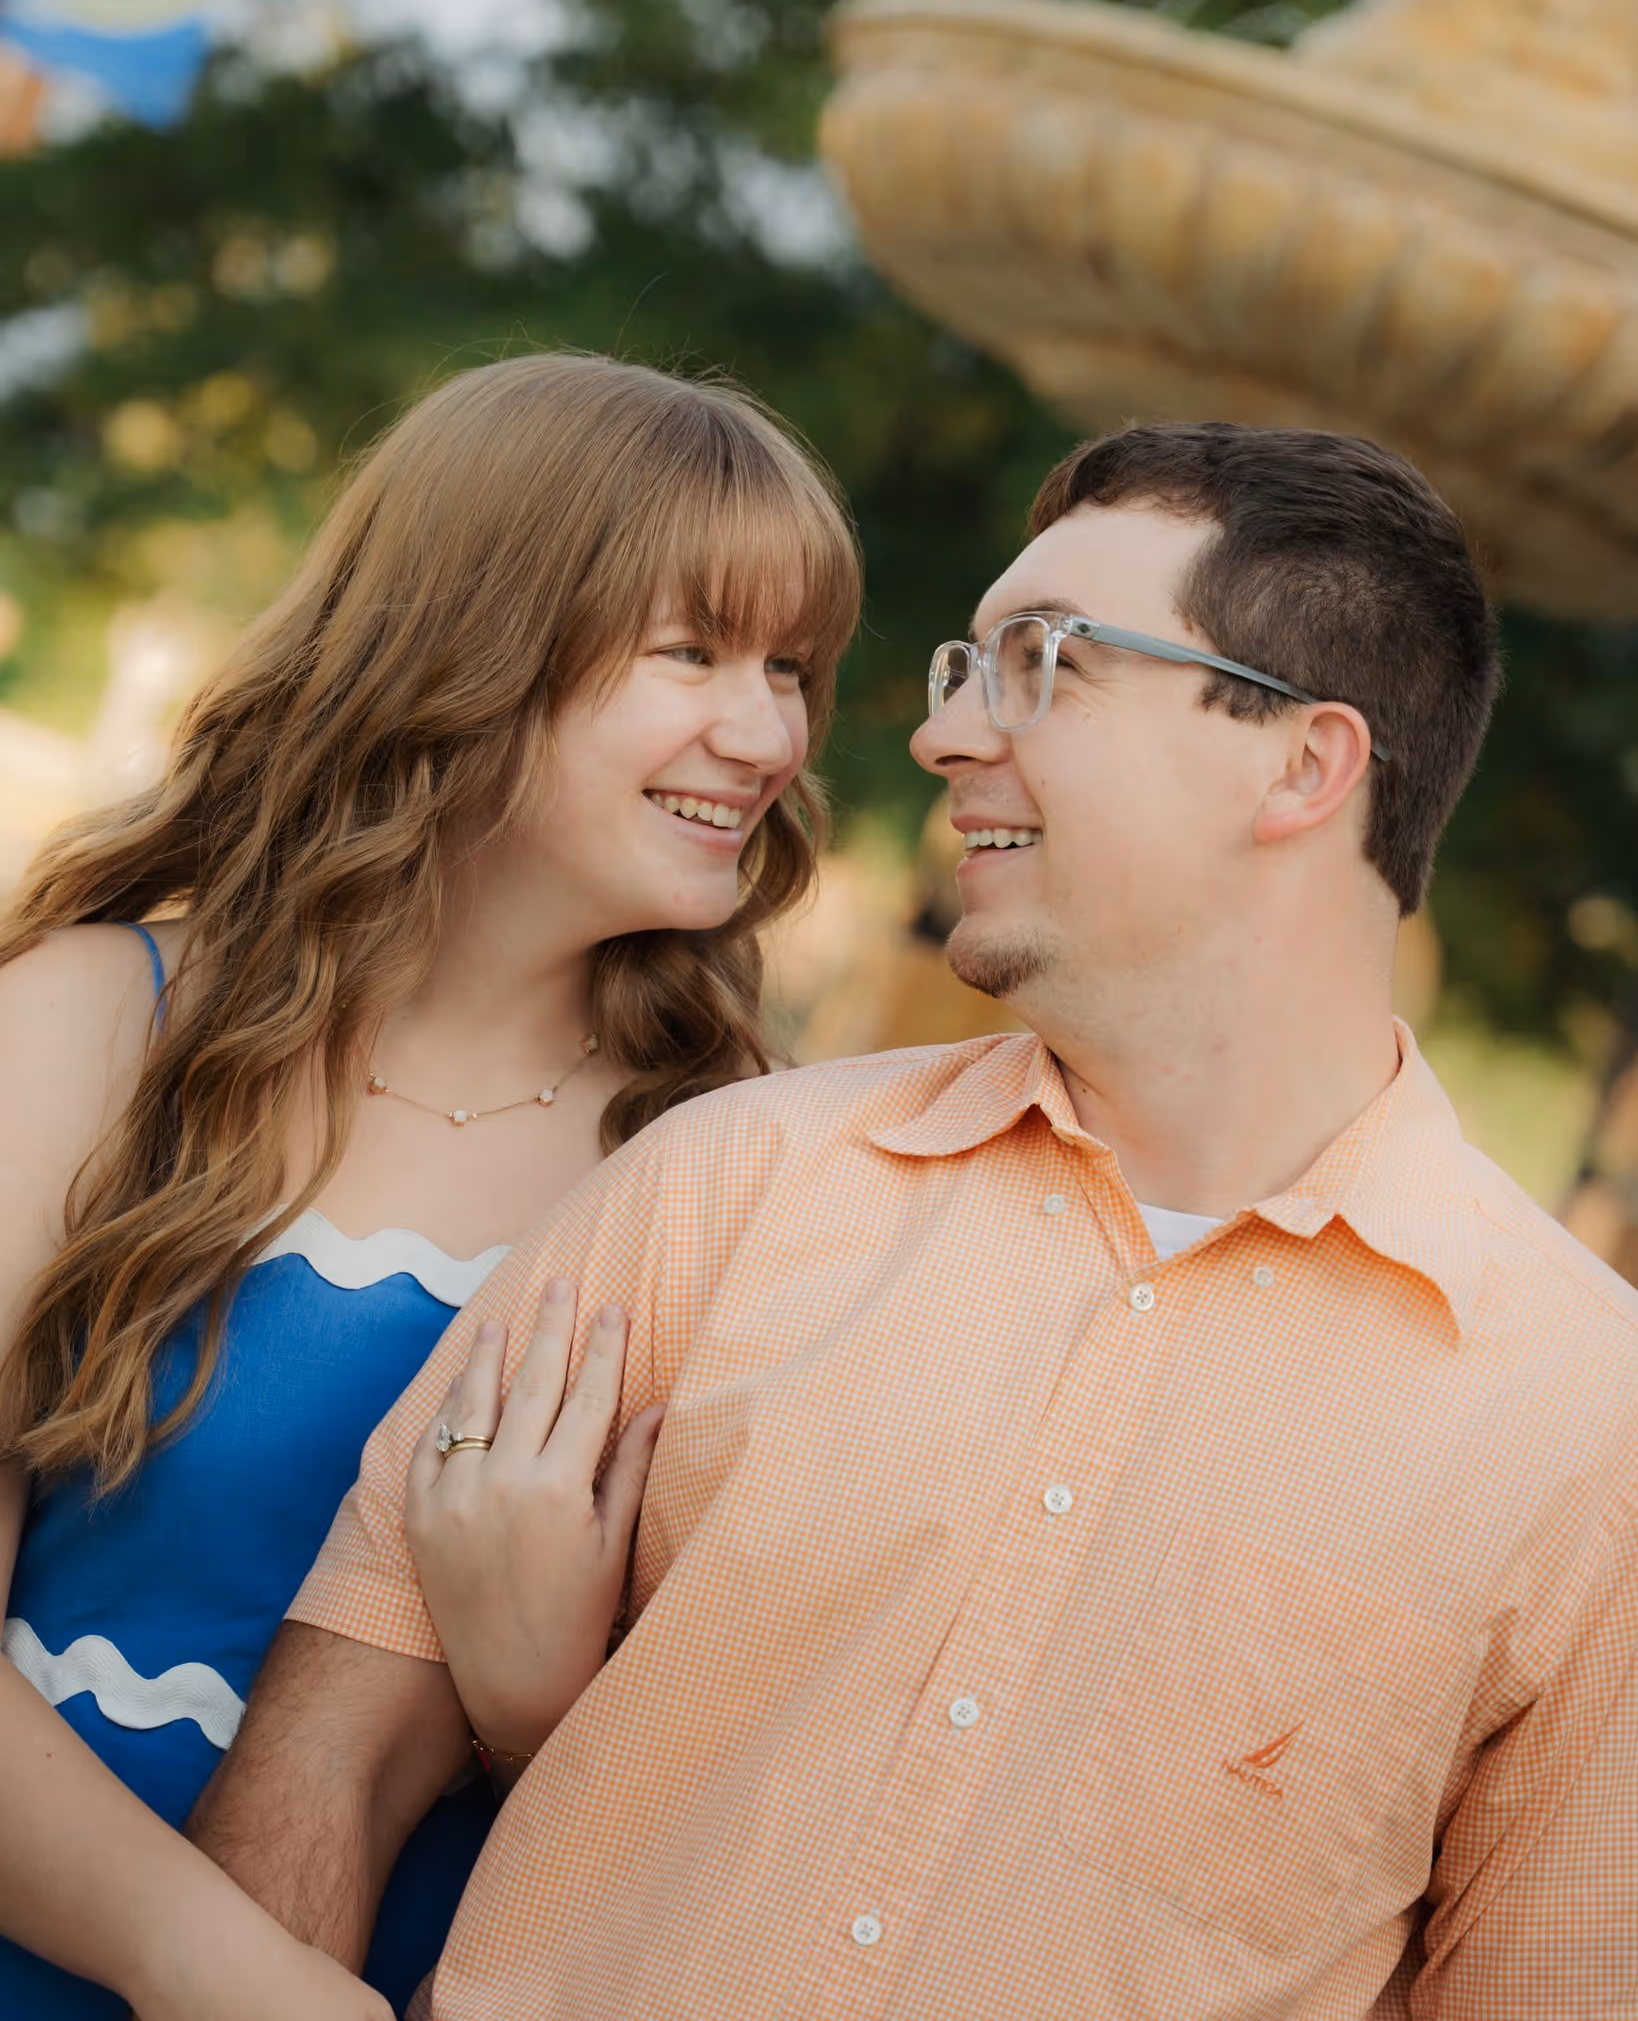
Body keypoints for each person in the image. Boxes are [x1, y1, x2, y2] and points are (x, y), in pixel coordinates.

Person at [192, 424, 1638, 2019]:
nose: (943, 732)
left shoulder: (1588, 1435)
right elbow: (327, 1752)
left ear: (1300, 764)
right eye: (966, 664)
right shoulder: (721, 1188)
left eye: (1040, 665)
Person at [0, 350, 861, 2019]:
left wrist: (529, 1700)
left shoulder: (750, 1157)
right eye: (691, 652)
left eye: (792, 668)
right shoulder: (96, 1025)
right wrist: (232, 1978)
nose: (764, 735)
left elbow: (740, 1773)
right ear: (472, 643)